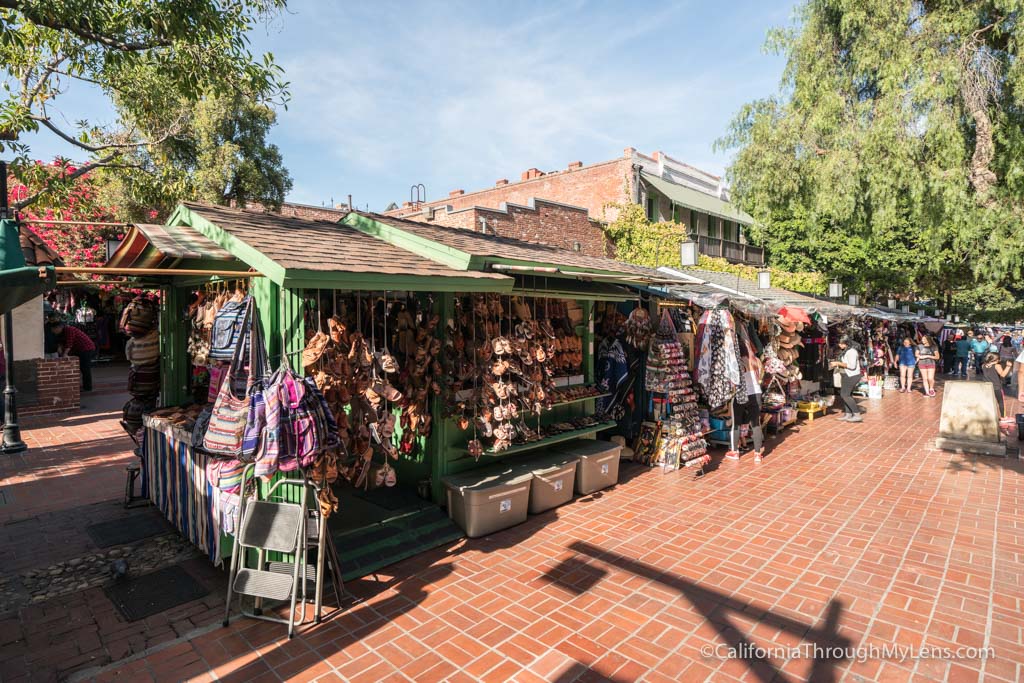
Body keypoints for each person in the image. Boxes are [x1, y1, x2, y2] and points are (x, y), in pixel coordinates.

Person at [727, 351, 766, 463]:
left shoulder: (739, 362)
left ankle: (735, 452)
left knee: (736, 423)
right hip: (756, 394)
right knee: (756, 424)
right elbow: (761, 378)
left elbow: (734, 380)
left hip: (742, 394)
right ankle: (757, 454)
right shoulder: (757, 361)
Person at [50, 321, 96, 391]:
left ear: (58, 328)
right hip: (79, 350)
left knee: (85, 368)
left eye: (53, 330)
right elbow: (60, 343)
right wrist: (60, 348)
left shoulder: (69, 329)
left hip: (87, 349)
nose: (53, 332)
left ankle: (88, 388)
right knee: (81, 368)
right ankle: (83, 385)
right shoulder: (61, 333)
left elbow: (69, 343)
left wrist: (65, 354)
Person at [830, 336, 863, 423]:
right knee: (846, 394)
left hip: (851, 376)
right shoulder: (846, 351)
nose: (839, 345)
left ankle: (857, 415)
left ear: (846, 343)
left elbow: (852, 366)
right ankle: (848, 414)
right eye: (839, 343)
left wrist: (837, 363)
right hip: (846, 375)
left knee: (845, 395)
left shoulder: (851, 352)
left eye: (841, 343)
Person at [981, 351, 1011, 417]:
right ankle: (1003, 417)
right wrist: (1008, 367)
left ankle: (988, 416)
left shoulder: (983, 365)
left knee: (989, 401)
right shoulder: (997, 366)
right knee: (1000, 402)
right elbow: (1002, 375)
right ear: (996, 359)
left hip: (987, 387)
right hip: (996, 387)